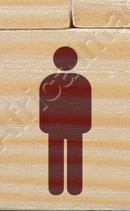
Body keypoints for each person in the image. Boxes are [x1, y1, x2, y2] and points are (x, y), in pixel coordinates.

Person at [38, 45, 91, 195]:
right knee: (71, 158)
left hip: (57, 127)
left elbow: (44, 105)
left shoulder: (48, 81)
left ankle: (57, 188)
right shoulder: (82, 81)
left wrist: (45, 126)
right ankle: (73, 188)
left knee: (58, 157)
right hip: (73, 127)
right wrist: (85, 126)